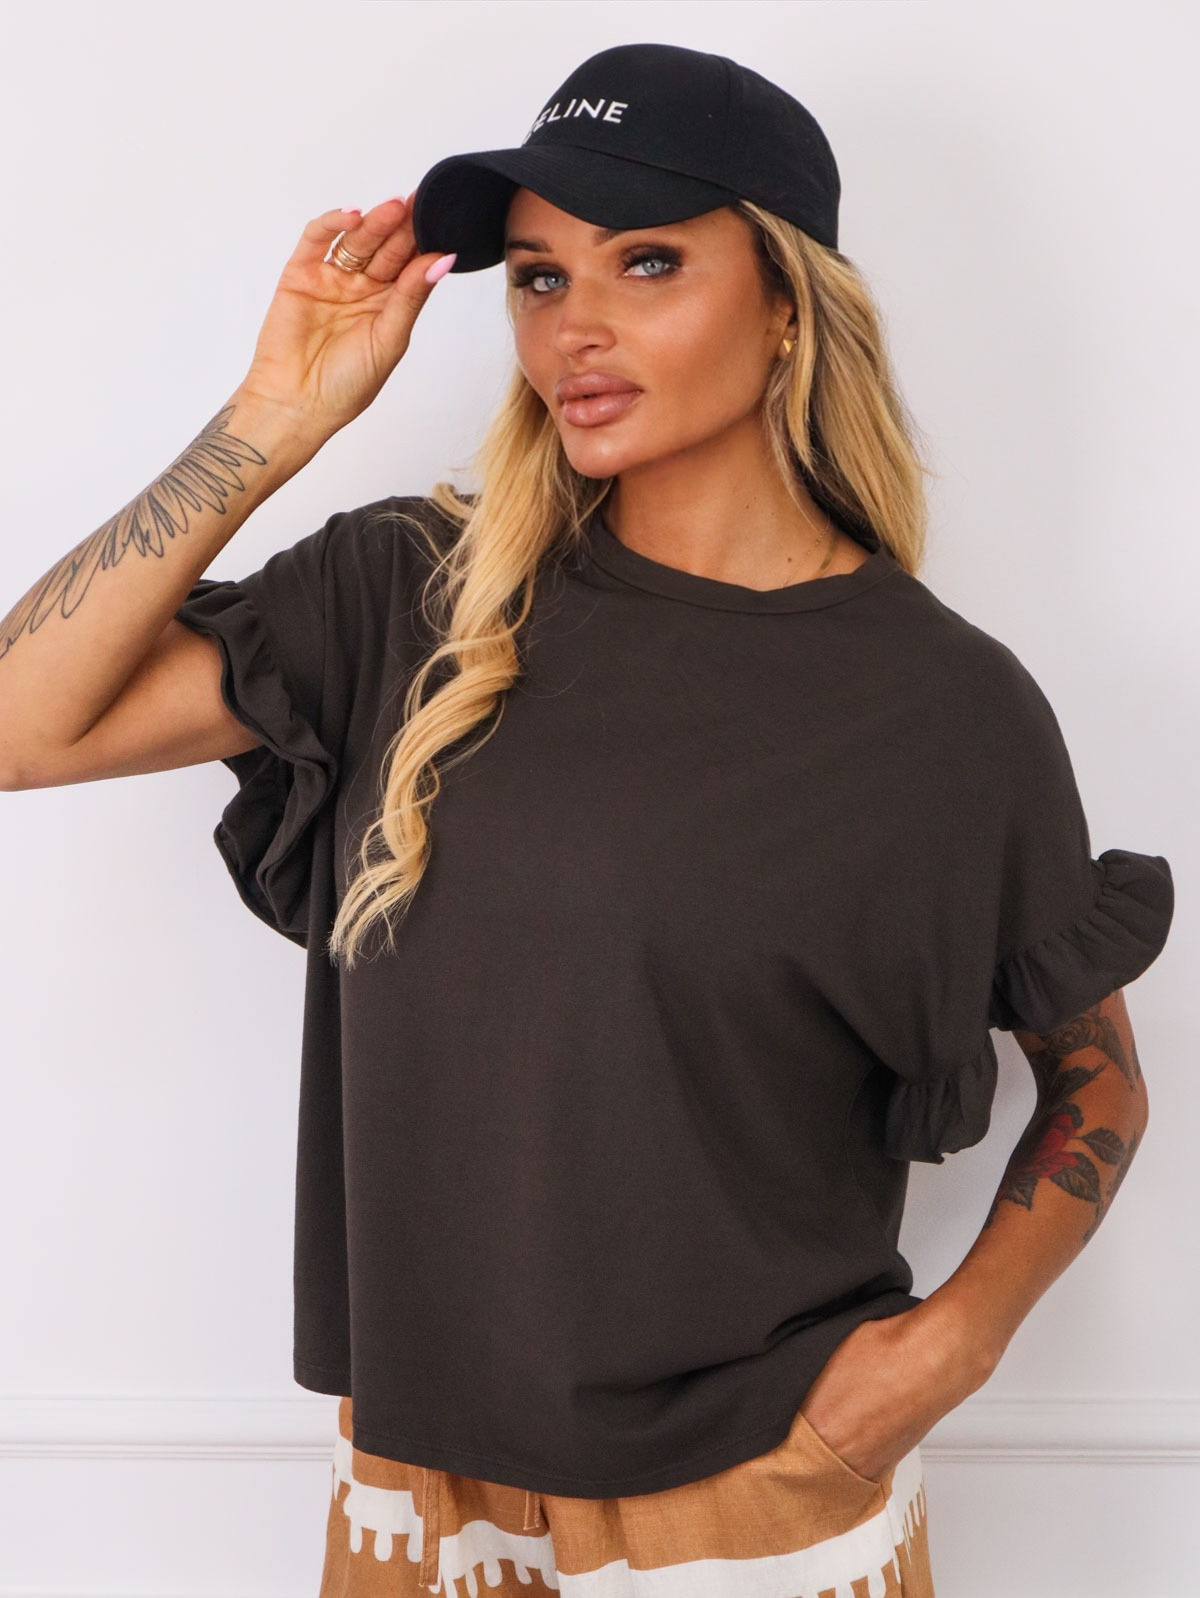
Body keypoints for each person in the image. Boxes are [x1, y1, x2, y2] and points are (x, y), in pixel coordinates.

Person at [0, 40, 1174, 1598]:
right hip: (418, 1495)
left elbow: (1096, 1073)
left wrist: (941, 1354)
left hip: (753, 1500)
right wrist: (276, 415)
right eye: (541, 277)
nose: (576, 327)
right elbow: (23, 725)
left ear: (787, 303)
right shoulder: (412, 594)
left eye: (648, 261)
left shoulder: (941, 706)